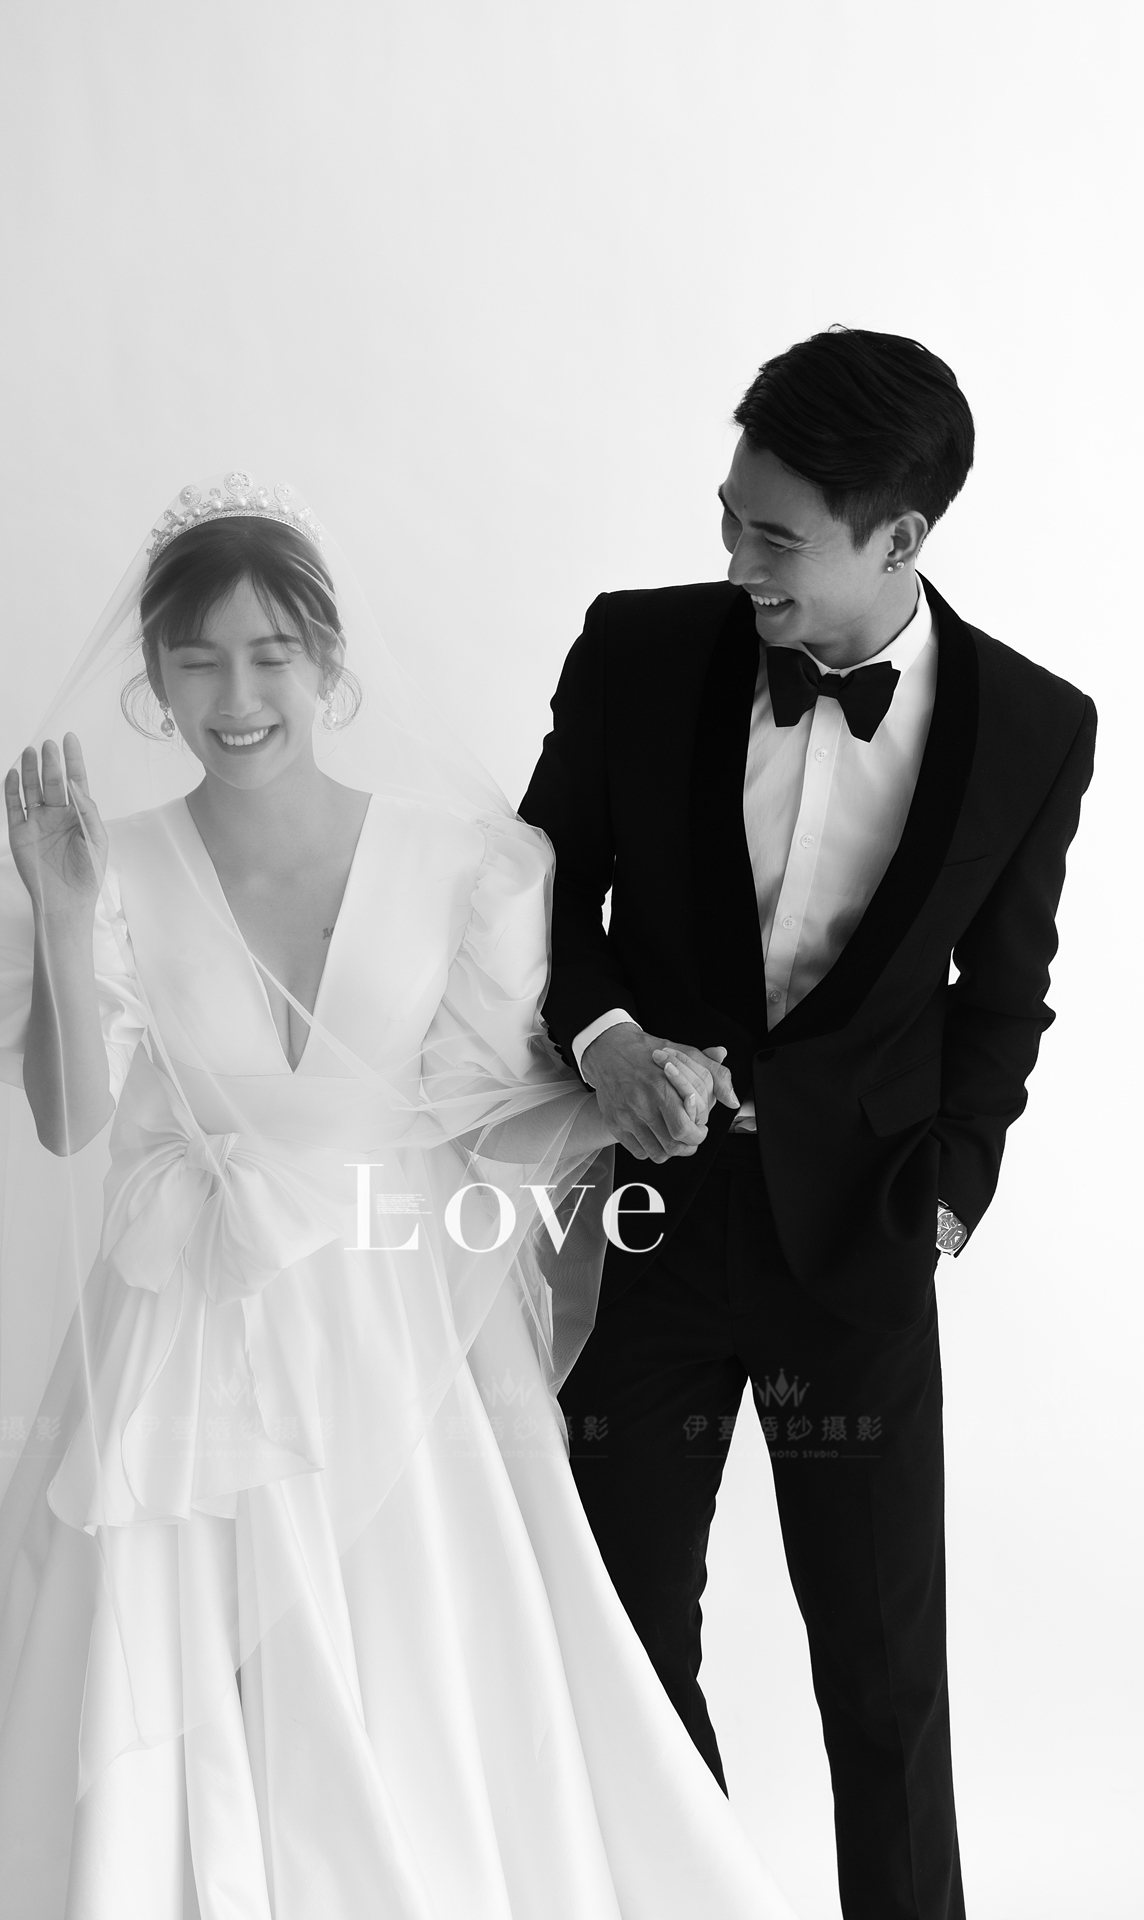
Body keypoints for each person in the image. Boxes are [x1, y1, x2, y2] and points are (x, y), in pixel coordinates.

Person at [0, 475, 796, 1919]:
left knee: (424, 1654)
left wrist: (636, 1086)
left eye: (271, 656)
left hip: (393, 1309)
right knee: (162, 1654)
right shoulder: (110, 866)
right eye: (197, 662)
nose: (237, 698)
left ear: (329, 663)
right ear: (153, 680)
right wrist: (61, 912)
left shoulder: (467, 867)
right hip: (183, 1315)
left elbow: (486, 1102)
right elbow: (69, 1125)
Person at [519, 328, 1096, 1920]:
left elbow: (1006, 1001)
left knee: (885, 1679)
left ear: (898, 538)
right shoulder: (636, 650)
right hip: (644, 1225)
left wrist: (946, 1201)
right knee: (620, 1639)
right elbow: (532, 895)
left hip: (861, 1244)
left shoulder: (1036, 729)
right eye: (728, 517)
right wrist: (608, 1040)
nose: (735, 562)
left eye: (774, 538)